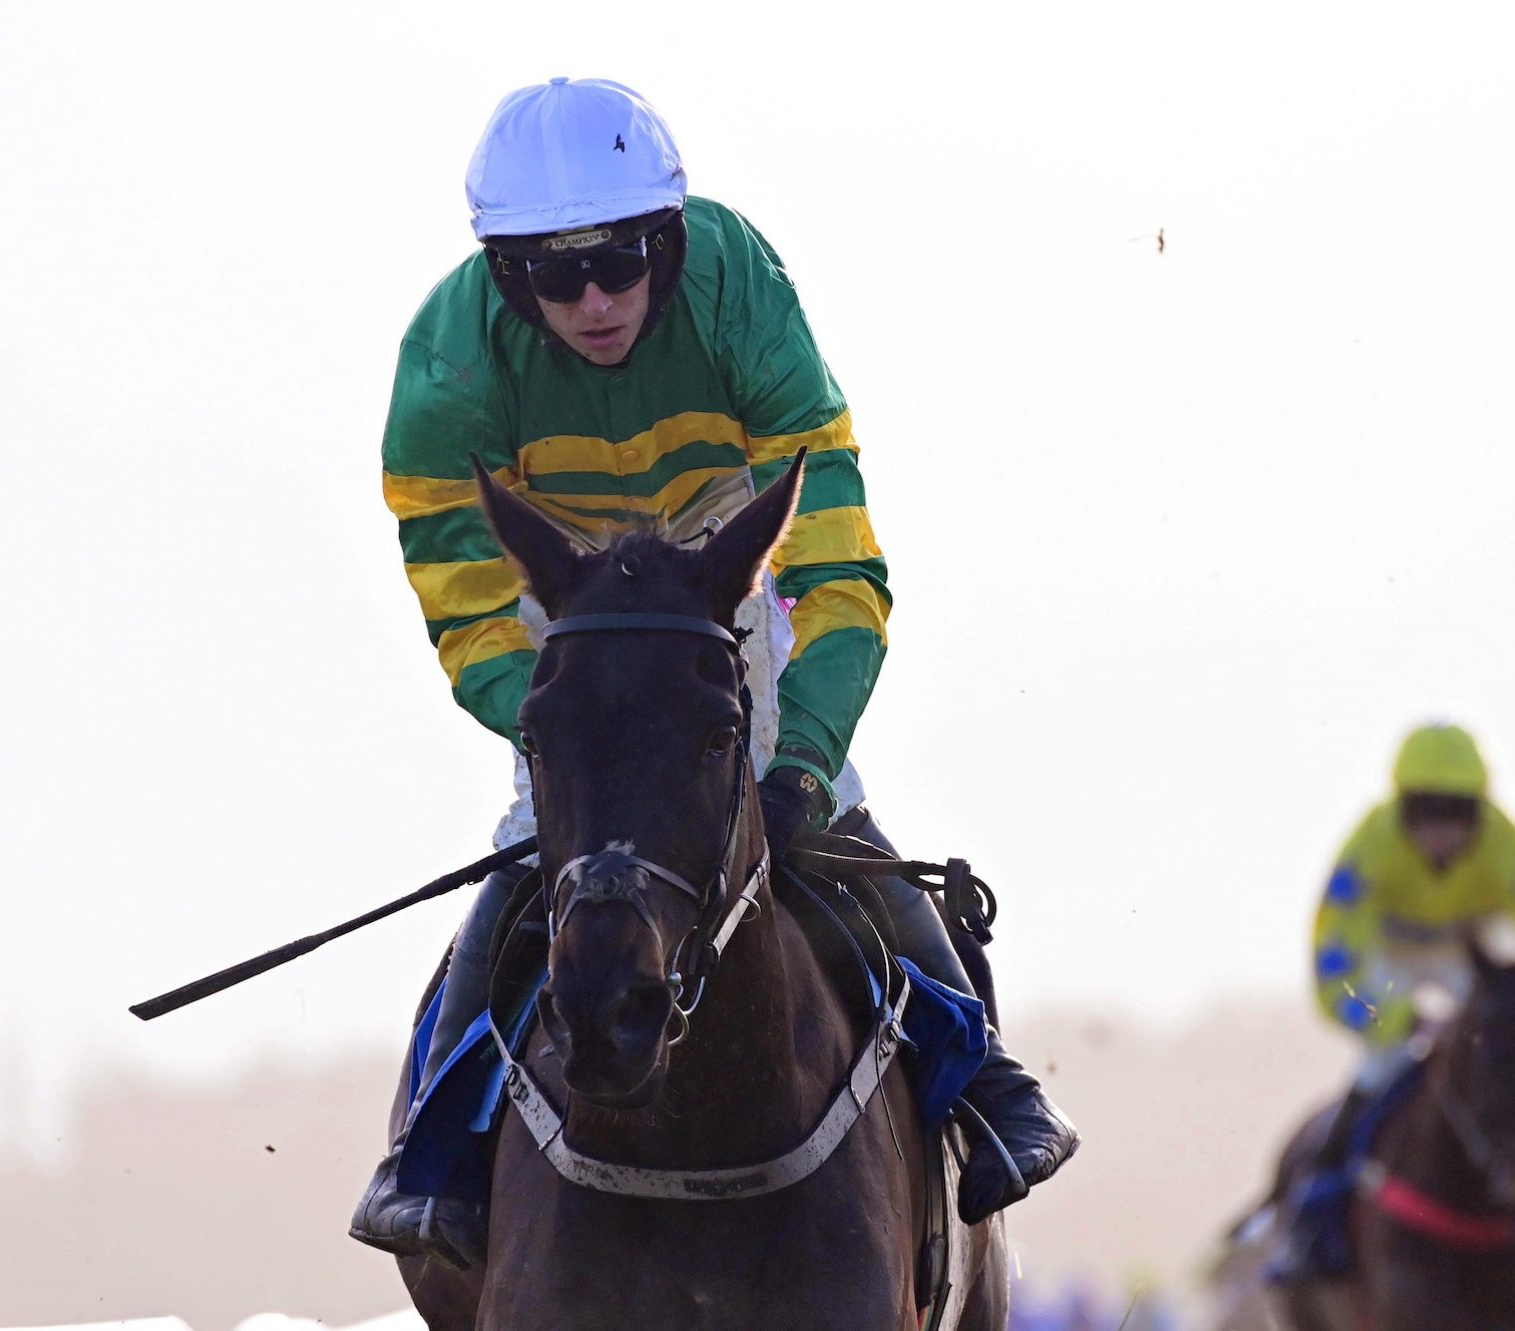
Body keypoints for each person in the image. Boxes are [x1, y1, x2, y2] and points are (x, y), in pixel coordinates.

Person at [350, 77, 1077, 1268]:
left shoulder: (739, 286)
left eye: (620, 262)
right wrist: (568, 731)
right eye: (555, 278)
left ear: (669, 238)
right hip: (571, 607)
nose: (594, 300)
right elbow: (468, 608)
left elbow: (837, 567)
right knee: (538, 839)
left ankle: (988, 1085)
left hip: (725, 573)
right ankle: (431, 1148)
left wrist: (801, 765)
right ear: (505, 277)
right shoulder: (445, 361)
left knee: (828, 815)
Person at [1271, 722, 1515, 1282]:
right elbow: (1333, 971)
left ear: (1479, 813)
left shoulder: (1507, 844)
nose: (1441, 832)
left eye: (1457, 814)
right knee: (1380, 1068)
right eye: (1425, 814)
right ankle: (1313, 1209)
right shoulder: (1366, 850)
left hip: (1471, 960)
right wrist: (1397, 1019)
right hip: (1388, 966)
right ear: (1401, 810)